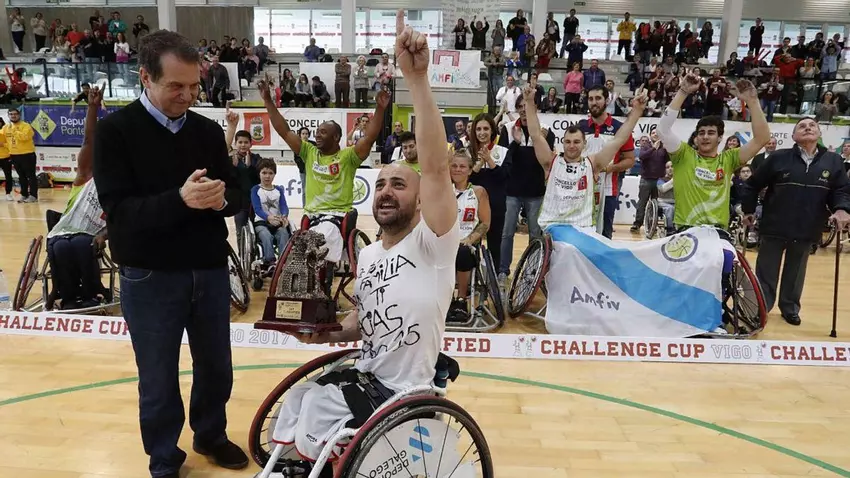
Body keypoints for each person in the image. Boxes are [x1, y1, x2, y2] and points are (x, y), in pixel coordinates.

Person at [271, 10, 460, 472]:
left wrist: (417, 81)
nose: (387, 192)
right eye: (380, 185)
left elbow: (436, 168)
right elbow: (363, 320)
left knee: (317, 410)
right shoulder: (370, 254)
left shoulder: (435, 243)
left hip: (405, 391)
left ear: (421, 199)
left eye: (399, 184)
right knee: (299, 398)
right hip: (367, 375)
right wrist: (325, 331)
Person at [93, 30, 248, 478]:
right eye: (175, 86)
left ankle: (210, 434)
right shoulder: (115, 132)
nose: (187, 95)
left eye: (194, 86)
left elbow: (237, 195)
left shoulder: (206, 131)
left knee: (216, 366)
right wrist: (180, 199)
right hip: (149, 275)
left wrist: (222, 200)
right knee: (158, 375)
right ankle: (163, 456)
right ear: (145, 77)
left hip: (209, 270)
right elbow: (119, 212)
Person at [258, 72, 388, 265]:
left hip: (337, 217)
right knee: (303, 239)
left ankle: (318, 264)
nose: (317, 135)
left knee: (325, 232)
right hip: (312, 217)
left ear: (336, 137)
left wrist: (380, 109)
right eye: (317, 132)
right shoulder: (309, 152)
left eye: (323, 132)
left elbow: (369, 138)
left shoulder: (348, 157)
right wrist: (268, 100)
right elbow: (284, 131)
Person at [741, 118, 850, 326]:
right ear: (793, 136)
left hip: (807, 227)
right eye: (802, 126)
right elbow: (752, 184)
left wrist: (842, 209)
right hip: (774, 225)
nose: (807, 127)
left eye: (812, 125)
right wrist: (748, 210)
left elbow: (841, 190)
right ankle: (761, 308)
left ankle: (790, 307)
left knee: (796, 271)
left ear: (819, 134)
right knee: (766, 272)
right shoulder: (778, 158)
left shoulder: (833, 161)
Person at [656, 73, 770, 231]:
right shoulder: (683, 155)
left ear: (720, 138)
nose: (705, 137)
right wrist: (682, 92)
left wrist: (752, 101)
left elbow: (762, 138)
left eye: (711, 133)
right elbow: (662, 130)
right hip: (687, 230)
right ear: (696, 138)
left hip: (718, 232)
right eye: (701, 133)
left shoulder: (729, 159)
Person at [525, 85, 647, 231]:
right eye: (568, 142)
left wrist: (637, 111)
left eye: (576, 142)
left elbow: (618, 140)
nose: (572, 146)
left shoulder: (592, 164)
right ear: (562, 143)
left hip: (582, 229)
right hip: (553, 227)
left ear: (584, 144)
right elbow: (536, 135)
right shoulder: (551, 162)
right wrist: (529, 102)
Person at [46, 86, 108, 310]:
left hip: (90, 235)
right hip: (64, 230)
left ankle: (92, 293)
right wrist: (92, 108)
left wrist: (104, 235)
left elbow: (120, 218)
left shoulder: (119, 185)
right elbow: (89, 140)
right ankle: (68, 297)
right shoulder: (86, 176)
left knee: (82, 244)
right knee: (61, 247)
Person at [576, 85, 635, 238]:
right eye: (590, 99)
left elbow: (630, 160)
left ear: (607, 100)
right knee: (580, 232)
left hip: (608, 190)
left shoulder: (619, 128)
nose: (594, 102)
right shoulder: (580, 127)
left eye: (598, 98)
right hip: (581, 189)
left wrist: (608, 169)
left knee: (604, 234)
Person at [448, 149, 490, 321]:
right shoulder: (443, 190)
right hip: (443, 242)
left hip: (467, 243)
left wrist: (470, 239)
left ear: (470, 170)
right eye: (454, 166)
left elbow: (485, 223)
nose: (458, 169)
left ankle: (460, 300)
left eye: (462, 166)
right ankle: (443, 299)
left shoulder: (478, 192)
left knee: (463, 251)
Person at [224, 105, 261, 238]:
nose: (243, 145)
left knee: (256, 231)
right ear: (235, 143)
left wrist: (250, 167)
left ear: (251, 144)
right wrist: (233, 167)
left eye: (246, 142)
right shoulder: (230, 160)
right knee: (240, 232)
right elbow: (229, 181)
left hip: (254, 202)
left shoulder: (257, 158)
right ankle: (241, 252)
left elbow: (259, 179)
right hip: (239, 203)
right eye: (240, 142)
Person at [250, 157, 290, 273]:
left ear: (274, 174)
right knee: (266, 235)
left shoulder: (278, 190)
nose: (267, 176)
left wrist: (284, 216)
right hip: (261, 222)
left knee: (283, 233)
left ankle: (283, 261)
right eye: (264, 173)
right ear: (259, 174)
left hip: (277, 222)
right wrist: (268, 217)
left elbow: (284, 206)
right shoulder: (255, 189)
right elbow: (257, 209)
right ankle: (270, 262)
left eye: (270, 173)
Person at [4, 107, 37, 203]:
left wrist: (14, 130)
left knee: (30, 176)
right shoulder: (6, 127)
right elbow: (3, 139)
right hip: (14, 155)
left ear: (19, 115)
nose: (13, 116)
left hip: (27, 154)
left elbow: (24, 137)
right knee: (21, 176)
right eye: (11, 114)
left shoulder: (26, 126)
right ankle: (24, 194)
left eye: (15, 114)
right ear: (8, 116)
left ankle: (33, 196)